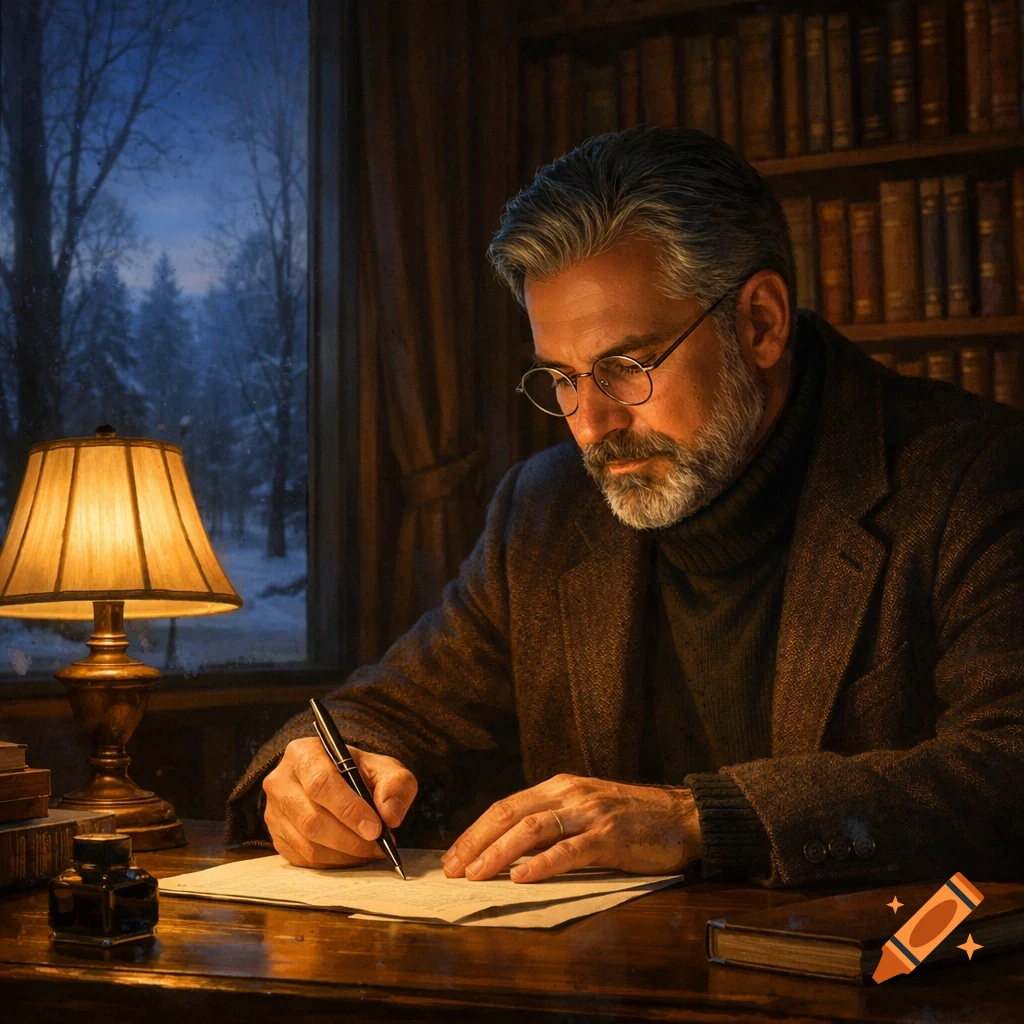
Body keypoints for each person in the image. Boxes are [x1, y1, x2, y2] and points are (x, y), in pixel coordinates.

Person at [226, 126, 1024, 888]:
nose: (591, 424)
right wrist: (317, 773)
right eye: (561, 378)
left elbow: (1007, 768)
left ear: (761, 323)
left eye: (627, 365)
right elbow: (384, 711)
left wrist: (698, 820)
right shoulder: (543, 511)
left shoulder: (974, 478)